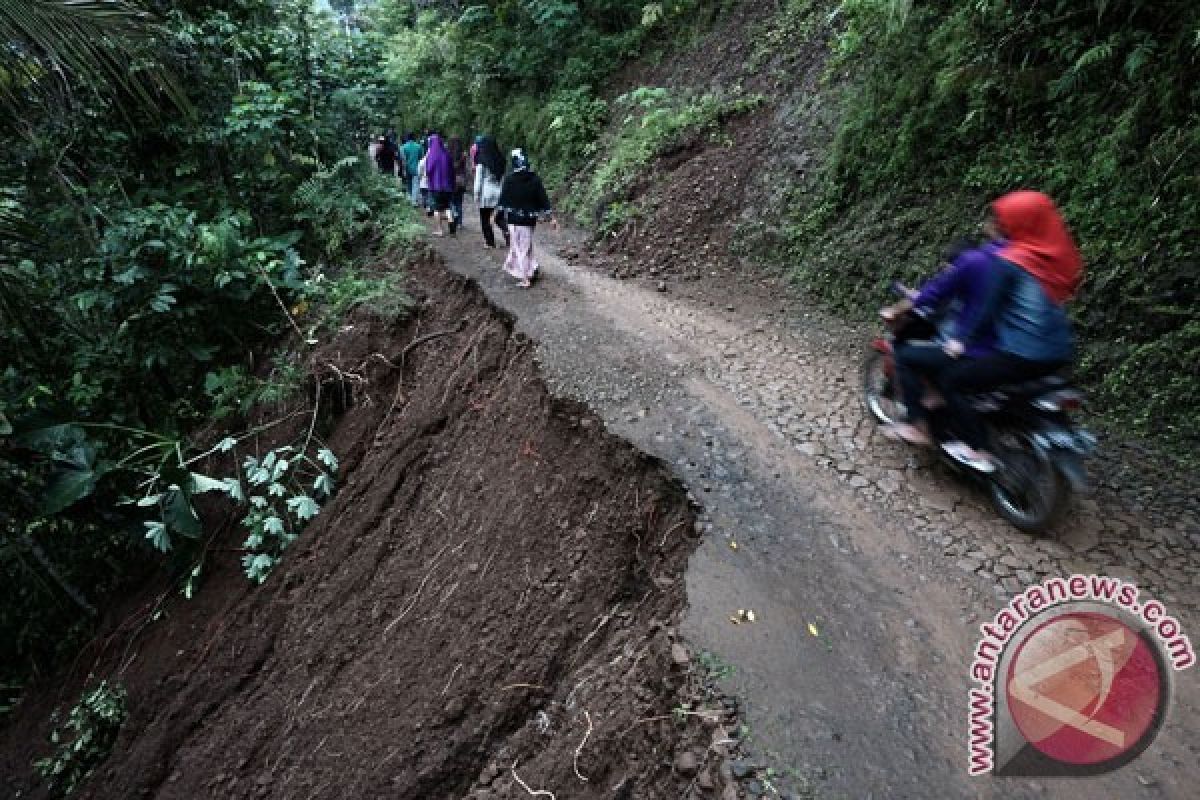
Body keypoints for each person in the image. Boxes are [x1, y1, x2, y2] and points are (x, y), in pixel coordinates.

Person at [937, 190, 1083, 472]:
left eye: (1003, 220)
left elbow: (986, 310)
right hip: (1061, 353)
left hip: (1022, 355)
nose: (996, 225)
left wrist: (959, 341)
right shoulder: (1057, 259)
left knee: (952, 381)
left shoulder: (1011, 261)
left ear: (1021, 222)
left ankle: (977, 448)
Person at [878, 231, 1006, 446]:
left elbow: (930, 298)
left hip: (963, 347)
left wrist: (897, 309)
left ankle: (917, 425)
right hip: (999, 349)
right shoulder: (999, 271)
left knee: (906, 356)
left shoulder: (965, 273)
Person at [497, 148, 557, 288]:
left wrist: (497, 217)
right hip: (529, 221)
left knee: (520, 249)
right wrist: (551, 218)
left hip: (514, 221)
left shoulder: (509, 180)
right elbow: (543, 200)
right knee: (526, 247)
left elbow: (503, 202)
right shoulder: (535, 179)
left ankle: (525, 278)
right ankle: (531, 270)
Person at [474, 136, 508, 249]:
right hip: (498, 192)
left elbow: (478, 181)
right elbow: (503, 179)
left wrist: (476, 195)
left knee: (485, 219)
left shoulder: (481, 161)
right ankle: (508, 233)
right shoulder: (501, 160)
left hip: (486, 193)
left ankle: (490, 242)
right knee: (499, 217)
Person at [424, 133, 456, 236]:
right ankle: (452, 229)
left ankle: (439, 230)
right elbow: (452, 170)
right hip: (448, 186)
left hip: (436, 186)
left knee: (437, 208)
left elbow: (428, 170)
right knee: (447, 207)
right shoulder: (447, 155)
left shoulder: (431, 156)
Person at [448, 135, 468, 230]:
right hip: (461, 180)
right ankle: (460, 223)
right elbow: (464, 168)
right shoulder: (463, 154)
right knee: (459, 202)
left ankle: (453, 217)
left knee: (451, 201)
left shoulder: (447, 154)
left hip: (451, 179)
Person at [400, 133, 423, 207]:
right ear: (414, 138)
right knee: (415, 184)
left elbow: (402, 159)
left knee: (409, 183)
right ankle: (413, 201)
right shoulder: (419, 146)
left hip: (407, 168)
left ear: (407, 138)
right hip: (416, 168)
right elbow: (421, 158)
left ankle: (410, 198)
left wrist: (403, 169)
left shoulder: (403, 147)